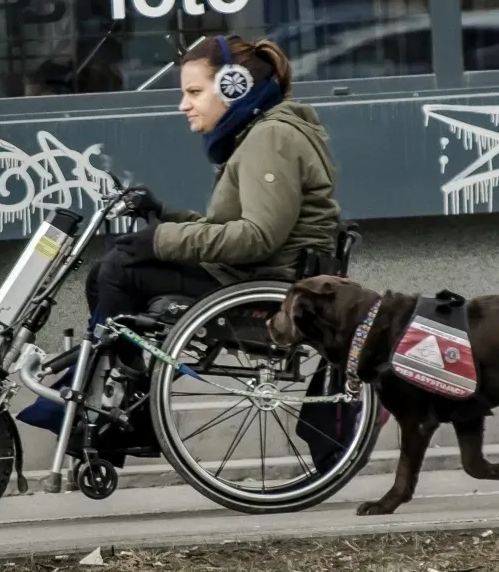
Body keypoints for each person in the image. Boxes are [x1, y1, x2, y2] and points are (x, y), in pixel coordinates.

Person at [18, 33, 346, 459]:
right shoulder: (261, 135)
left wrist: (162, 240)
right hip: (256, 275)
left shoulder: (271, 139)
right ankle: (118, 403)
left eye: (194, 92)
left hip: (269, 289)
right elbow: (233, 228)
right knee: (110, 271)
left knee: (121, 268)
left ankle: (121, 412)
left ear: (234, 86)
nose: (183, 104)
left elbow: (257, 237)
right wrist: (166, 216)